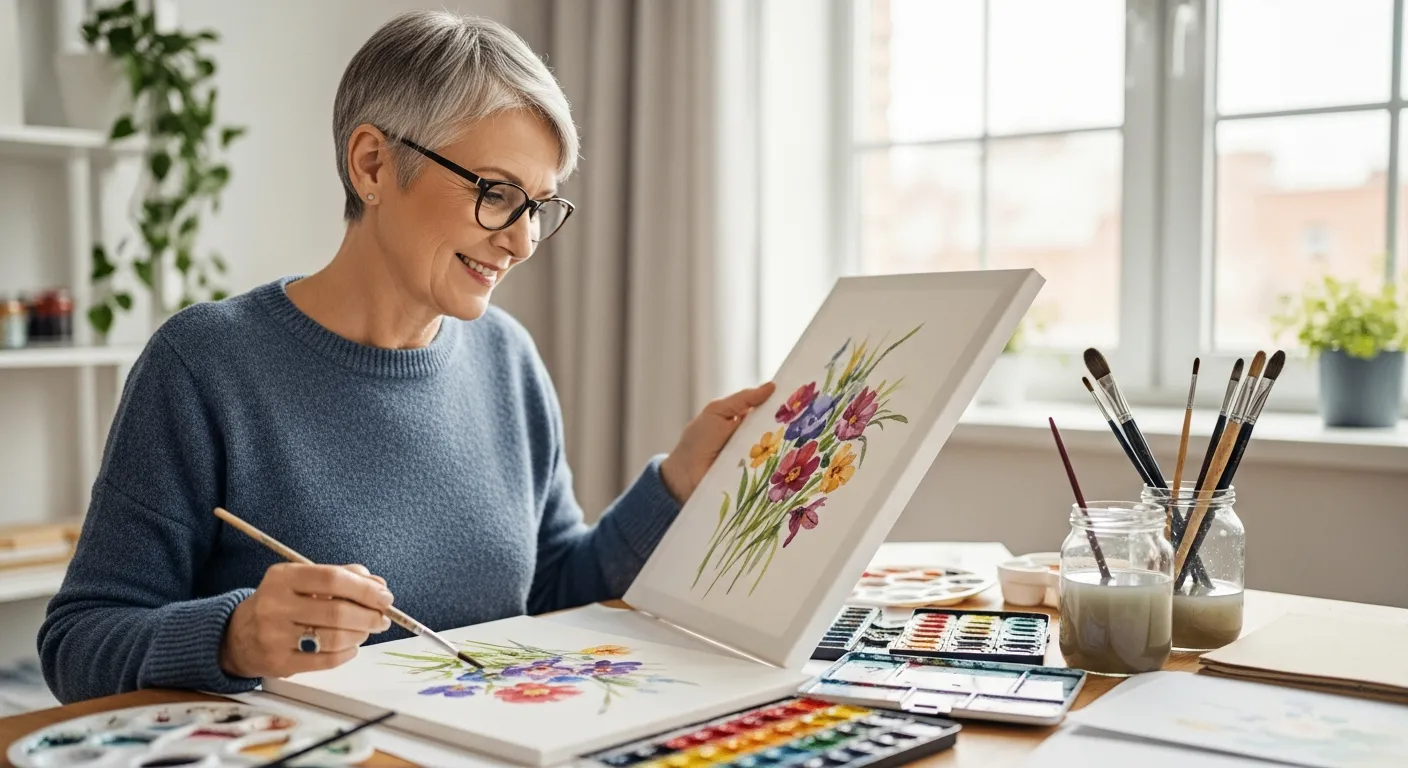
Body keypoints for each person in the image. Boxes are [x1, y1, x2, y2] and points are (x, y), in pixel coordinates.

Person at [38, 10, 774, 703]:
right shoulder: (205, 363)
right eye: (496, 192)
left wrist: (677, 484)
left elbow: (549, 596)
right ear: (372, 166)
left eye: (540, 206)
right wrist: (235, 638)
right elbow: (76, 645)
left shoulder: (508, 359)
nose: (520, 241)